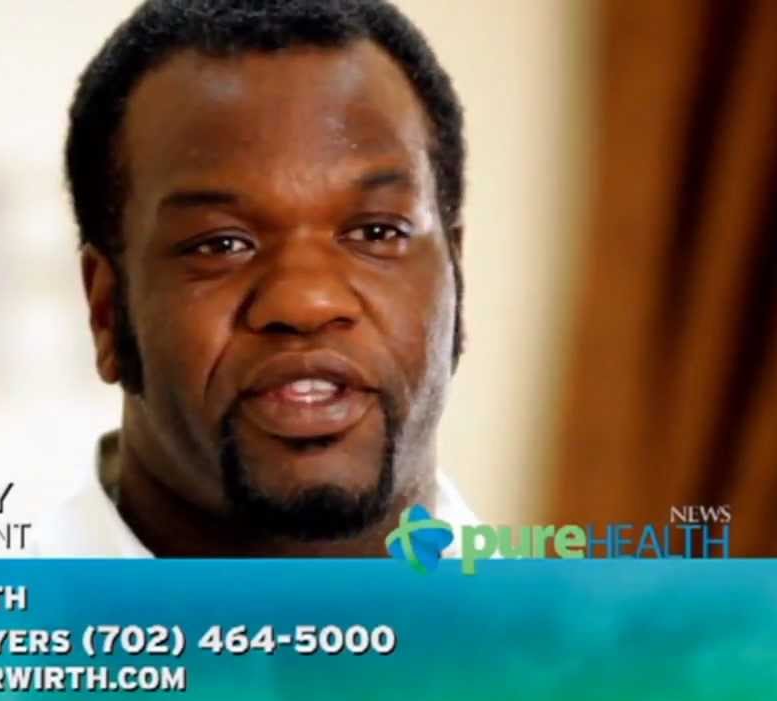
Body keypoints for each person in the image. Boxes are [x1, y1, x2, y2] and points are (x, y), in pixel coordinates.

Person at [36, 0, 478, 557]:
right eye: (221, 245)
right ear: (105, 310)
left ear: (455, 276)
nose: (305, 302)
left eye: (376, 232)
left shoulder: (568, 614)